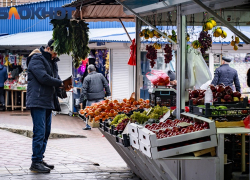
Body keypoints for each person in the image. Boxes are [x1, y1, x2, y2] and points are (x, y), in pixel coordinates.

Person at [26, 39, 64, 173]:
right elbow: (43, 78)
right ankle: (35, 162)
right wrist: (60, 83)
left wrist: (62, 90)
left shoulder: (52, 62)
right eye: (55, 52)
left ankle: (40, 158)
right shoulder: (37, 58)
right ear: (48, 48)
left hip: (48, 101)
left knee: (46, 132)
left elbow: (55, 78)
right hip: (37, 100)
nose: (56, 55)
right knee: (40, 132)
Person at [80, 64, 111, 130]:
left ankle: (88, 126)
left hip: (91, 99)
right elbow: (106, 85)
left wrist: (81, 100)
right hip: (100, 98)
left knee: (89, 112)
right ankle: (104, 126)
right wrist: (108, 94)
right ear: (95, 69)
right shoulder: (100, 75)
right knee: (102, 112)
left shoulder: (87, 78)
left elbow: (84, 90)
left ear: (88, 71)